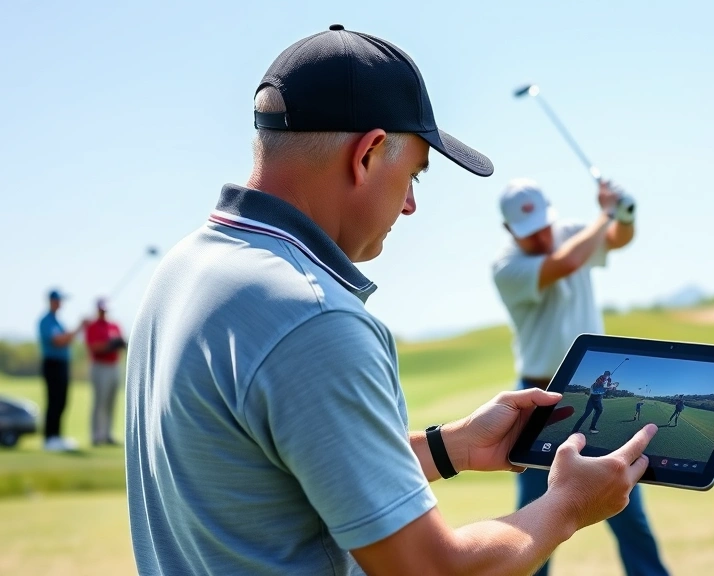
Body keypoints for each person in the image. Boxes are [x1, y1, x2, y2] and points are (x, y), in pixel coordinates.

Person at [125, 25, 657, 576]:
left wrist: (452, 446)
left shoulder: (185, 266)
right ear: (369, 153)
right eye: (414, 177)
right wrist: (566, 508)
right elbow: (426, 569)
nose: (409, 205)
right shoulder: (315, 317)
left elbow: (282, 467)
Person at [491, 178, 670, 576]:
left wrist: (623, 214)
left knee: (624, 504)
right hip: (540, 399)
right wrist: (604, 214)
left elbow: (618, 239)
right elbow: (568, 262)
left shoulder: (575, 232)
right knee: (537, 515)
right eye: (527, 232)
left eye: (542, 225)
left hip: (594, 391)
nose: (539, 237)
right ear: (509, 231)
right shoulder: (507, 268)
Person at [37, 289, 83, 452]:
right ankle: (49, 438)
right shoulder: (46, 321)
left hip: (62, 364)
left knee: (62, 400)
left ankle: (57, 436)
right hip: (52, 364)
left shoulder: (57, 321)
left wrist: (76, 331)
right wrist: (78, 328)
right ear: (51, 301)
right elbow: (58, 340)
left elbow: (66, 339)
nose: (60, 303)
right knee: (54, 400)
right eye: (58, 300)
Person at [84, 298, 125, 446]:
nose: (104, 312)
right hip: (99, 366)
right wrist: (109, 345)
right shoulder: (92, 326)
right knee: (99, 402)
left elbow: (121, 342)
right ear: (97, 309)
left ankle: (108, 435)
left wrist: (120, 344)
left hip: (114, 365)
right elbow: (93, 347)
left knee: (111, 402)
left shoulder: (114, 325)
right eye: (102, 309)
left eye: (106, 309)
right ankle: (96, 436)